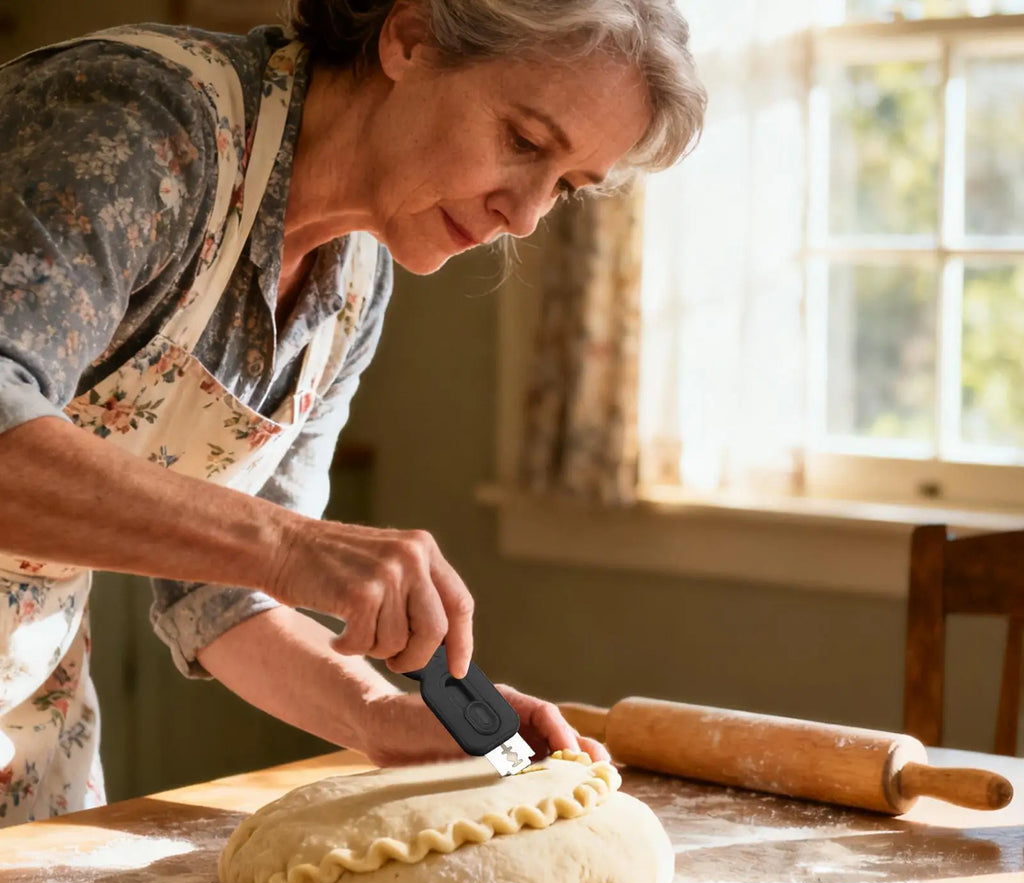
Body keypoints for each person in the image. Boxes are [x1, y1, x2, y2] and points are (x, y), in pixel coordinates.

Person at [0, 0, 706, 824]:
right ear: (409, 38)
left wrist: (383, 719)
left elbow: (220, 593)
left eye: (567, 187)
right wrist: (287, 547)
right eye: (522, 142)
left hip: (31, 732)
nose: (524, 214)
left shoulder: (353, 288)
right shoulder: (140, 123)